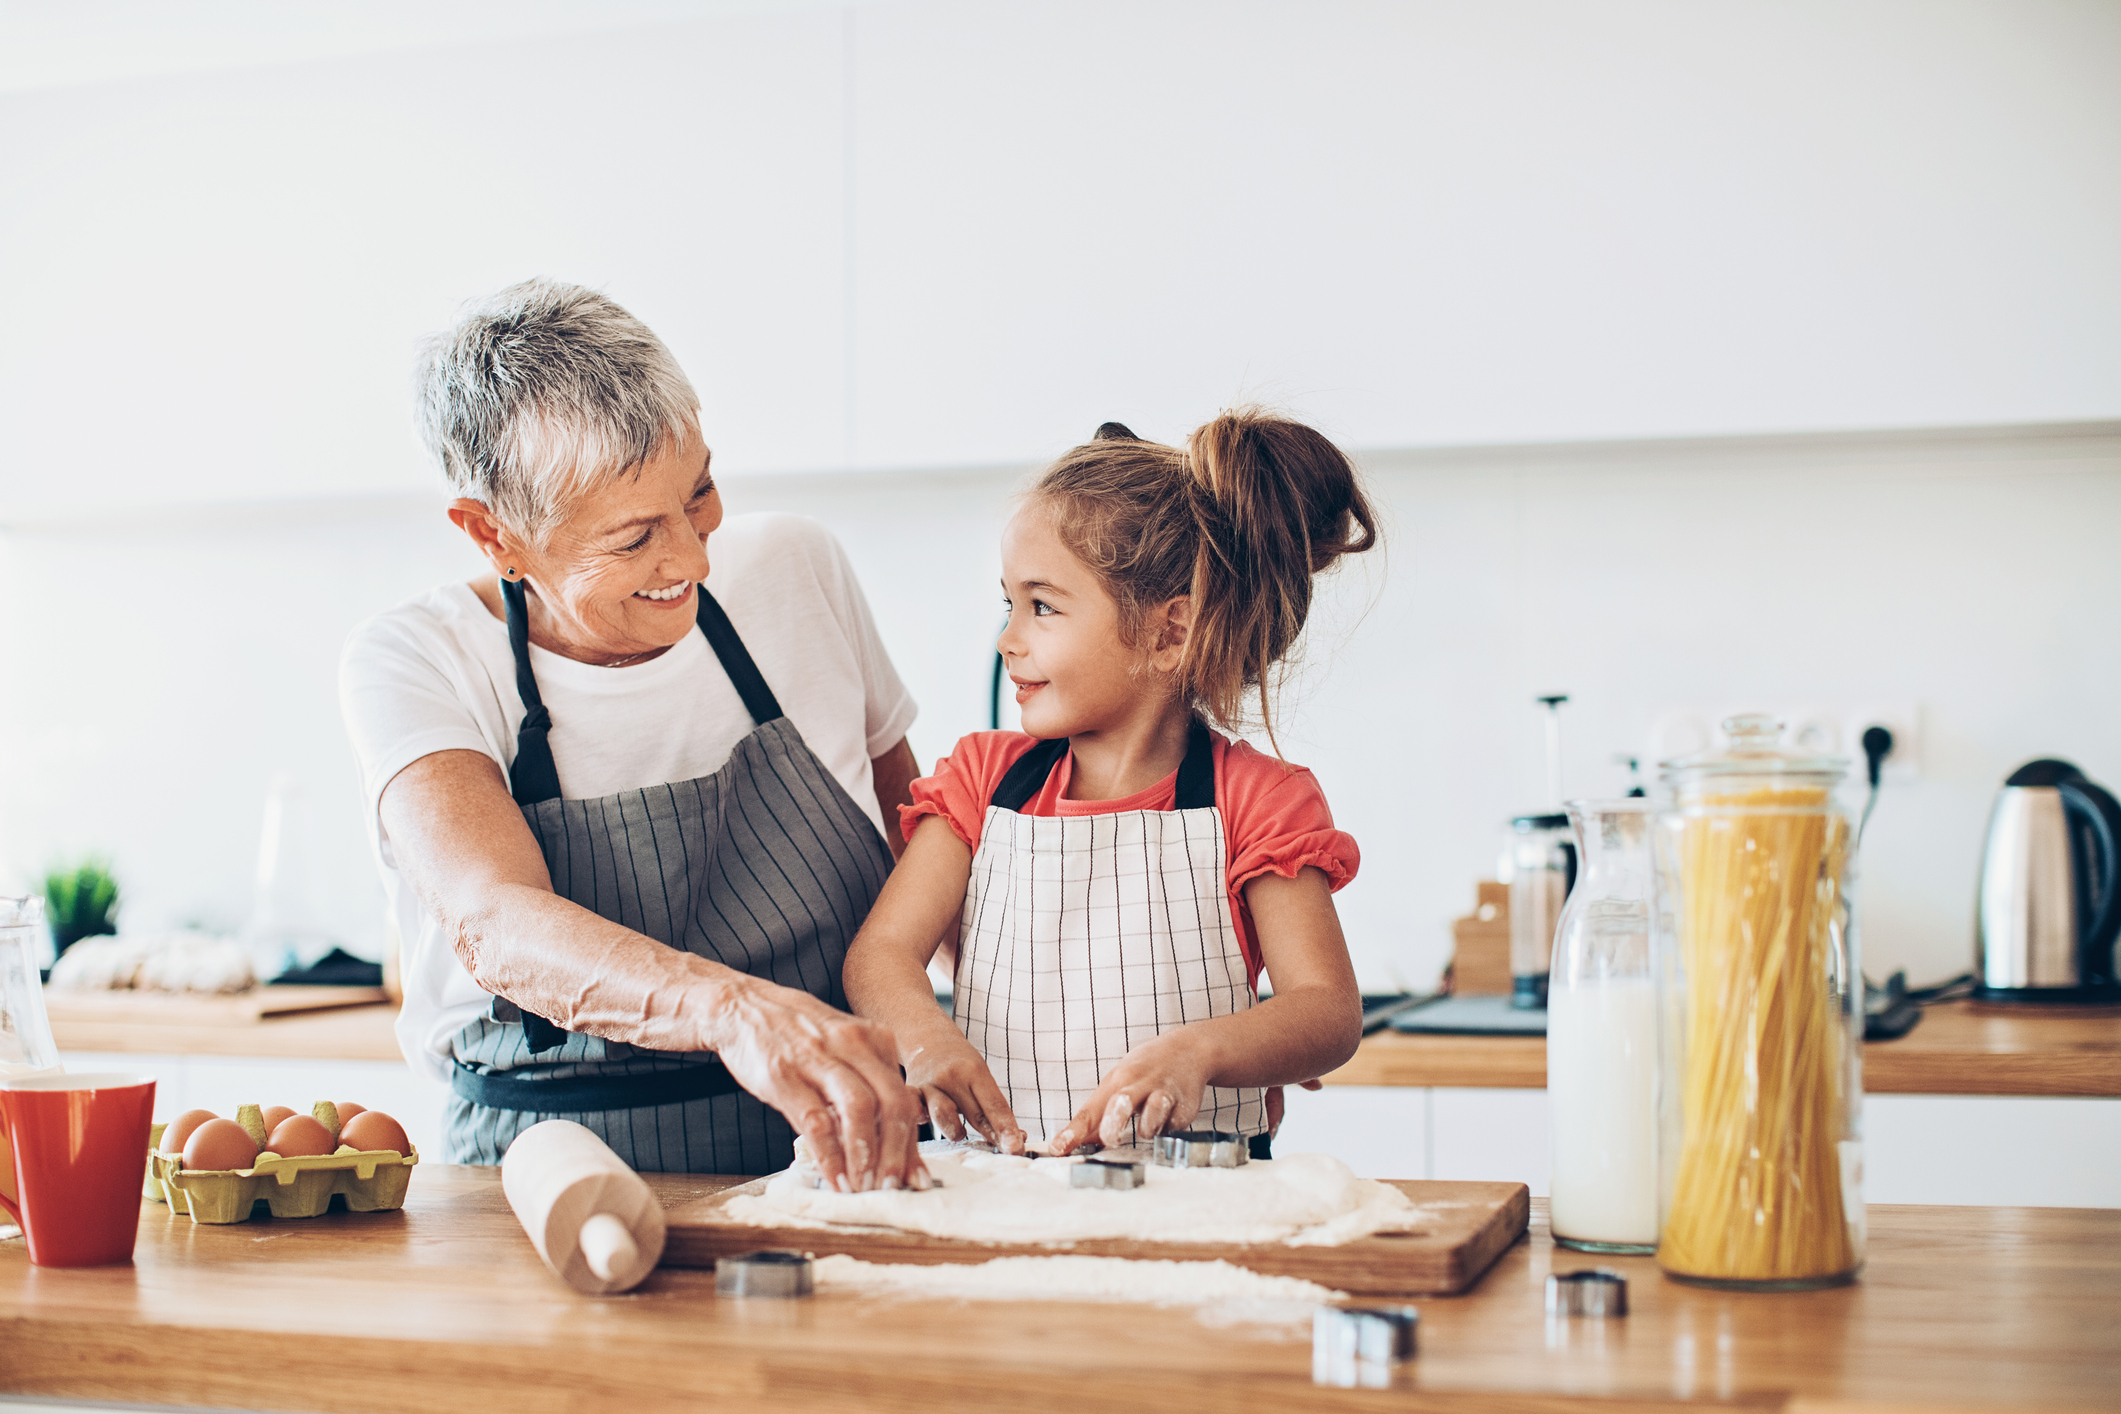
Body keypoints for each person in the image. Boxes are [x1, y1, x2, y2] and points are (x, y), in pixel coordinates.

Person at [340, 279, 925, 1190]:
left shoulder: (795, 568)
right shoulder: (415, 661)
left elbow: (917, 840)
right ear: (494, 535)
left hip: (842, 1146)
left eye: (699, 495)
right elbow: (493, 919)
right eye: (634, 536)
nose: (691, 559)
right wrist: (733, 1013)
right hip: (545, 1175)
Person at [842, 412, 1375, 1158]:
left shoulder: (1255, 800)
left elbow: (1326, 1011)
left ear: (1170, 633)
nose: (1008, 639)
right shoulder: (981, 781)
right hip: (1003, 1183)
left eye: (1043, 606)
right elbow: (881, 955)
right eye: (1009, 603)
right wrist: (926, 1039)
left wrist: (1200, 1052)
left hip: (1198, 1192)